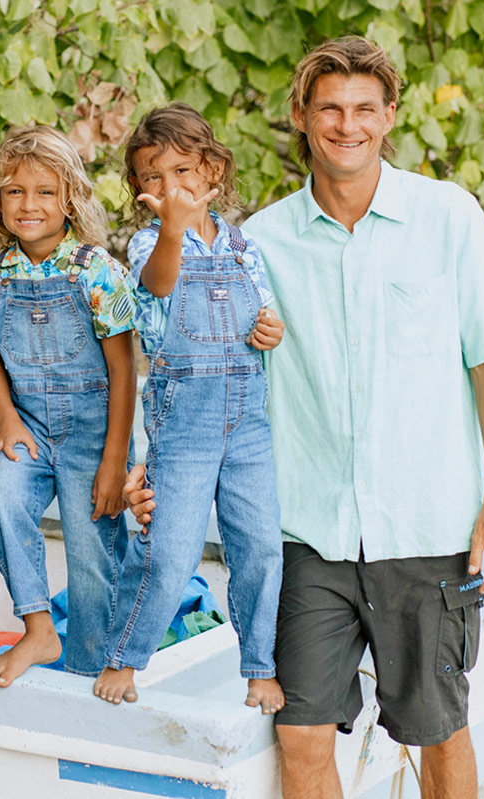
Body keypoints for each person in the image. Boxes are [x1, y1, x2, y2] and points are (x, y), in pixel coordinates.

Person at [124, 37, 484, 799]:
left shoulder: (447, 216)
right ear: (302, 119)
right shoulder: (258, 245)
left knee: (438, 732)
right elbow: (197, 359)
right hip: (309, 532)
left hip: (427, 528)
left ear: (389, 117)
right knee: (301, 733)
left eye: (364, 110)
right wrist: (157, 464)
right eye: (330, 109)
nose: (348, 125)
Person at [92, 103, 286, 711]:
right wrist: (173, 226)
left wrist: (270, 329)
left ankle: (259, 666)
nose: (170, 187)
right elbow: (158, 286)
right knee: (170, 551)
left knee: (258, 545)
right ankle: (125, 656)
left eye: (183, 171)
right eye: (153, 177)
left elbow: (265, 312)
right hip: (187, 418)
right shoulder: (150, 242)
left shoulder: (243, 245)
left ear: (213, 172)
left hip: (249, 418)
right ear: (138, 190)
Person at [0, 125, 137, 686]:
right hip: (29, 426)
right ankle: (37, 627)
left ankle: (90, 666)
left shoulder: (97, 271)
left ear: (70, 200)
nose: (28, 204)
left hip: (94, 435)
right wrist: (5, 421)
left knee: (91, 557)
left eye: (43, 192)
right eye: (14, 192)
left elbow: (123, 369)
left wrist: (115, 461)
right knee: (3, 501)